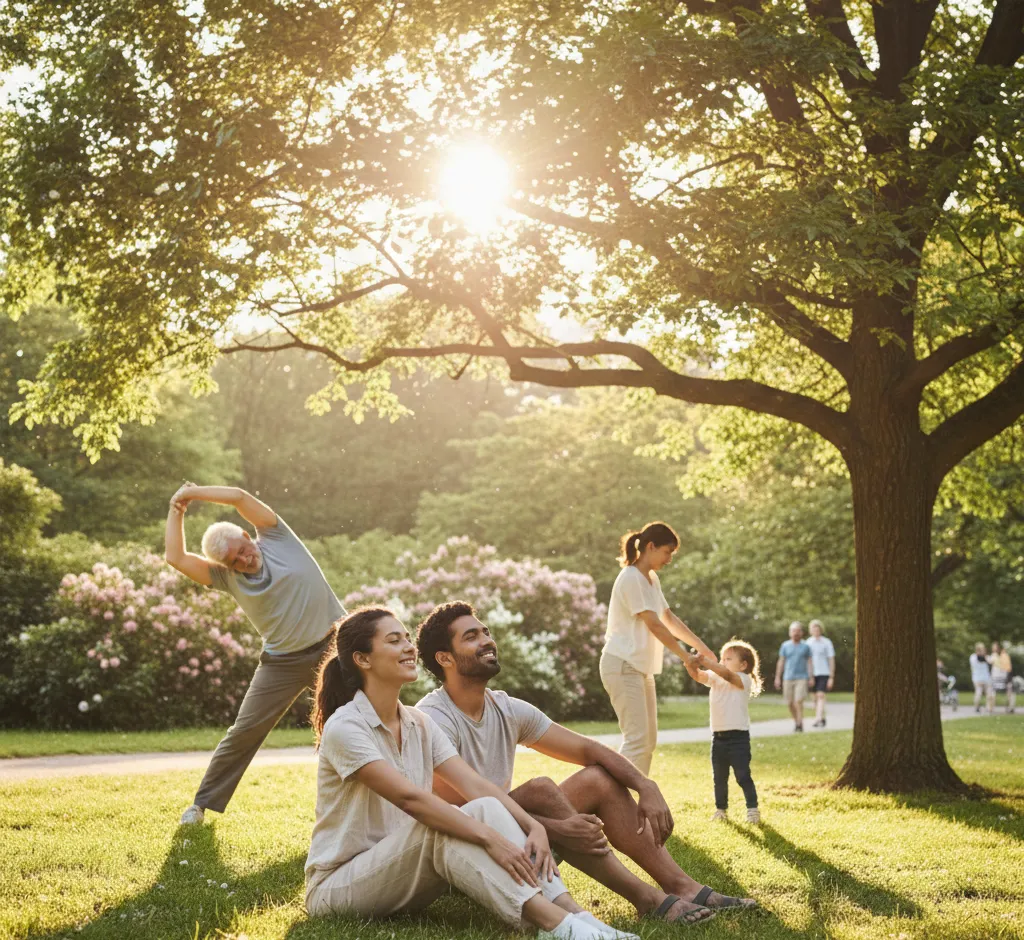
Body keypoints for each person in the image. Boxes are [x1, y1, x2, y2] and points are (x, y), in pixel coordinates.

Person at [416, 601, 757, 925]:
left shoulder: (505, 707)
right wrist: (553, 828)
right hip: (460, 851)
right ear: (445, 657)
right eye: (471, 636)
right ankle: (647, 900)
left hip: (514, 838)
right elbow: (463, 812)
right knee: (539, 790)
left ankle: (684, 886)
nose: (487, 640)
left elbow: (588, 749)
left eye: (485, 631)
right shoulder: (433, 718)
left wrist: (646, 785)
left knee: (597, 778)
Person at [305, 607, 636, 940]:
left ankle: (579, 917)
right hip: (340, 884)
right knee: (440, 823)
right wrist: (491, 839)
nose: (408, 647)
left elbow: (474, 784)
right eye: (394, 641)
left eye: (407, 638)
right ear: (363, 660)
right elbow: (411, 800)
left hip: (402, 870)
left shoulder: (418, 723)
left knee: (487, 806)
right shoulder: (346, 727)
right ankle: (555, 927)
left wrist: (532, 825)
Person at [164, 483, 345, 825]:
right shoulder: (226, 577)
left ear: (248, 536)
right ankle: (201, 805)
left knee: (364, 715)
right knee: (244, 730)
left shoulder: (277, 537)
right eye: (235, 561)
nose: (245, 560)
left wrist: (194, 492)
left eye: (243, 550)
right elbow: (176, 558)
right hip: (282, 663)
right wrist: (178, 511)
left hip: (334, 646)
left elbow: (239, 497)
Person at [599, 522, 716, 775]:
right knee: (637, 740)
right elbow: (653, 624)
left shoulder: (650, 578)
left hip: (639, 667)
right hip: (622, 664)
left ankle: (637, 805)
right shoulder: (631, 578)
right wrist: (686, 657)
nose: (670, 559)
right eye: (668, 552)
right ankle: (611, 802)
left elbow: (668, 619)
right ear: (650, 547)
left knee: (648, 742)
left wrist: (702, 648)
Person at [683, 640, 763, 824]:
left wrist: (704, 659)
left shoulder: (743, 679)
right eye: (722, 658)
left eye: (728, 658)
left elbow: (726, 673)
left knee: (742, 775)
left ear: (743, 665)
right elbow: (698, 676)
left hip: (738, 738)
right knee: (719, 777)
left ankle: (752, 808)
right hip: (718, 738)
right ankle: (721, 810)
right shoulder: (715, 676)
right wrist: (690, 664)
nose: (723, 662)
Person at [774, 621, 812, 732]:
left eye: (798, 631)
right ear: (790, 633)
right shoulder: (785, 645)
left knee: (798, 700)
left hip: (802, 677)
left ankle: (800, 723)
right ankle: (796, 722)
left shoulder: (806, 646)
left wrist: (811, 677)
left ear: (802, 632)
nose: (795, 633)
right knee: (790, 703)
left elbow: (809, 662)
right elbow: (781, 662)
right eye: (793, 631)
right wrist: (777, 677)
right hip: (788, 677)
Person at [805, 620, 836, 728]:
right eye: (813, 629)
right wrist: (809, 675)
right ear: (810, 630)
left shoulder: (826, 642)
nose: (816, 631)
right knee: (814, 698)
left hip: (824, 672)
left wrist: (831, 677)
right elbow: (806, 660)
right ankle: (822, 718)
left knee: (821, 695)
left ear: (820, 630)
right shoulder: (808, 643)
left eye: (817, 629)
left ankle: (817, 719)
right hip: (812, 673)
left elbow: (831, 659)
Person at [991, 642, 1016, 713]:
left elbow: (1008, 668)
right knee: (1010, 692)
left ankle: (1009, 707)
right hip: (1002, 679)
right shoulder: (1000, 656)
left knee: (1009, 692)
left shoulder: (1003, 656)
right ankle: (1010, 707)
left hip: (1004, 679)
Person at [969, 642, 994, 714]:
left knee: (978, 693)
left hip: (977, 678)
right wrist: (984, 656)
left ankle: (977, 707)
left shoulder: (972, 657)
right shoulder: (984, 657)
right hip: (985, 678)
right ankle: (988, 708)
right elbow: (991, 662)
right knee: (988, 693)